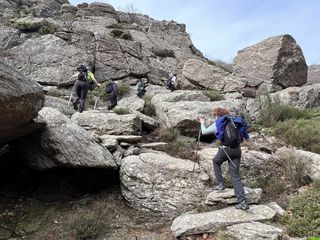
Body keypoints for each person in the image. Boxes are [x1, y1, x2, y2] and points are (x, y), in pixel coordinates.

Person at [199, 107, 250, 210]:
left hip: (226, 150)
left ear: (217, 115)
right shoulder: (234, 120)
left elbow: (204, 132)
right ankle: (243, 201)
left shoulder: (219, 122)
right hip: (237, 150)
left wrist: (201, 122)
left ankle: (220, 184)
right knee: (235, 175)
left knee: (216, 161)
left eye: (215, 115)